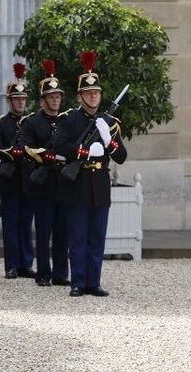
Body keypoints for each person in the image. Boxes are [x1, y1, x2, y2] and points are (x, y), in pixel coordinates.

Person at [53, 51, 127, 297]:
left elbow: (121, 157)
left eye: (96, 92)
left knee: (97, 238)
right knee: (78, 238)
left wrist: (108, 139)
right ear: (80, 96)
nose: (93, 96)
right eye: (88, 92)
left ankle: (93, 282)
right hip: (78, 184)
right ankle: (78, 282)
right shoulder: (69, 120)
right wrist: (84, 150)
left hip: (100, 184)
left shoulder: (109, 123)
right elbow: (60, 146)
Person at [19, 59, 70, 287]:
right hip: (43, 183)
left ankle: (60, 274)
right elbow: (25, 147)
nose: (55, 99)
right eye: (51, 97)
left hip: (63, 182)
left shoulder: (68, 120)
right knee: (43, 232)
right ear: (42, 100)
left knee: (63, 231)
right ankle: (43, 273)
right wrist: (45, 156)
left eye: (58, 96)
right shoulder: (31, 122)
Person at [0, 63, 35, 279]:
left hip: (28, 179)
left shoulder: (32, 122)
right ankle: (11, 265)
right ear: (9, 101)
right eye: (16, 99)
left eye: (23, 99)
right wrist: (13, 151)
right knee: (10, 225)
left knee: (26, 224)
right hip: (9, 179)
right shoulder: (0, 124)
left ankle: (26, 263)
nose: (20, 102)